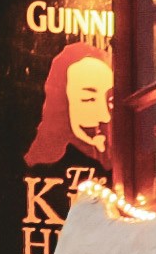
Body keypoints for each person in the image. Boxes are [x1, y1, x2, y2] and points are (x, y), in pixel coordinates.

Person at [24, 38, 114, 177]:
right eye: (89, 99)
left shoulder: (122, 162)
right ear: (61, 101)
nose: (105, 115)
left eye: (111, 100)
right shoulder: (42, 164)